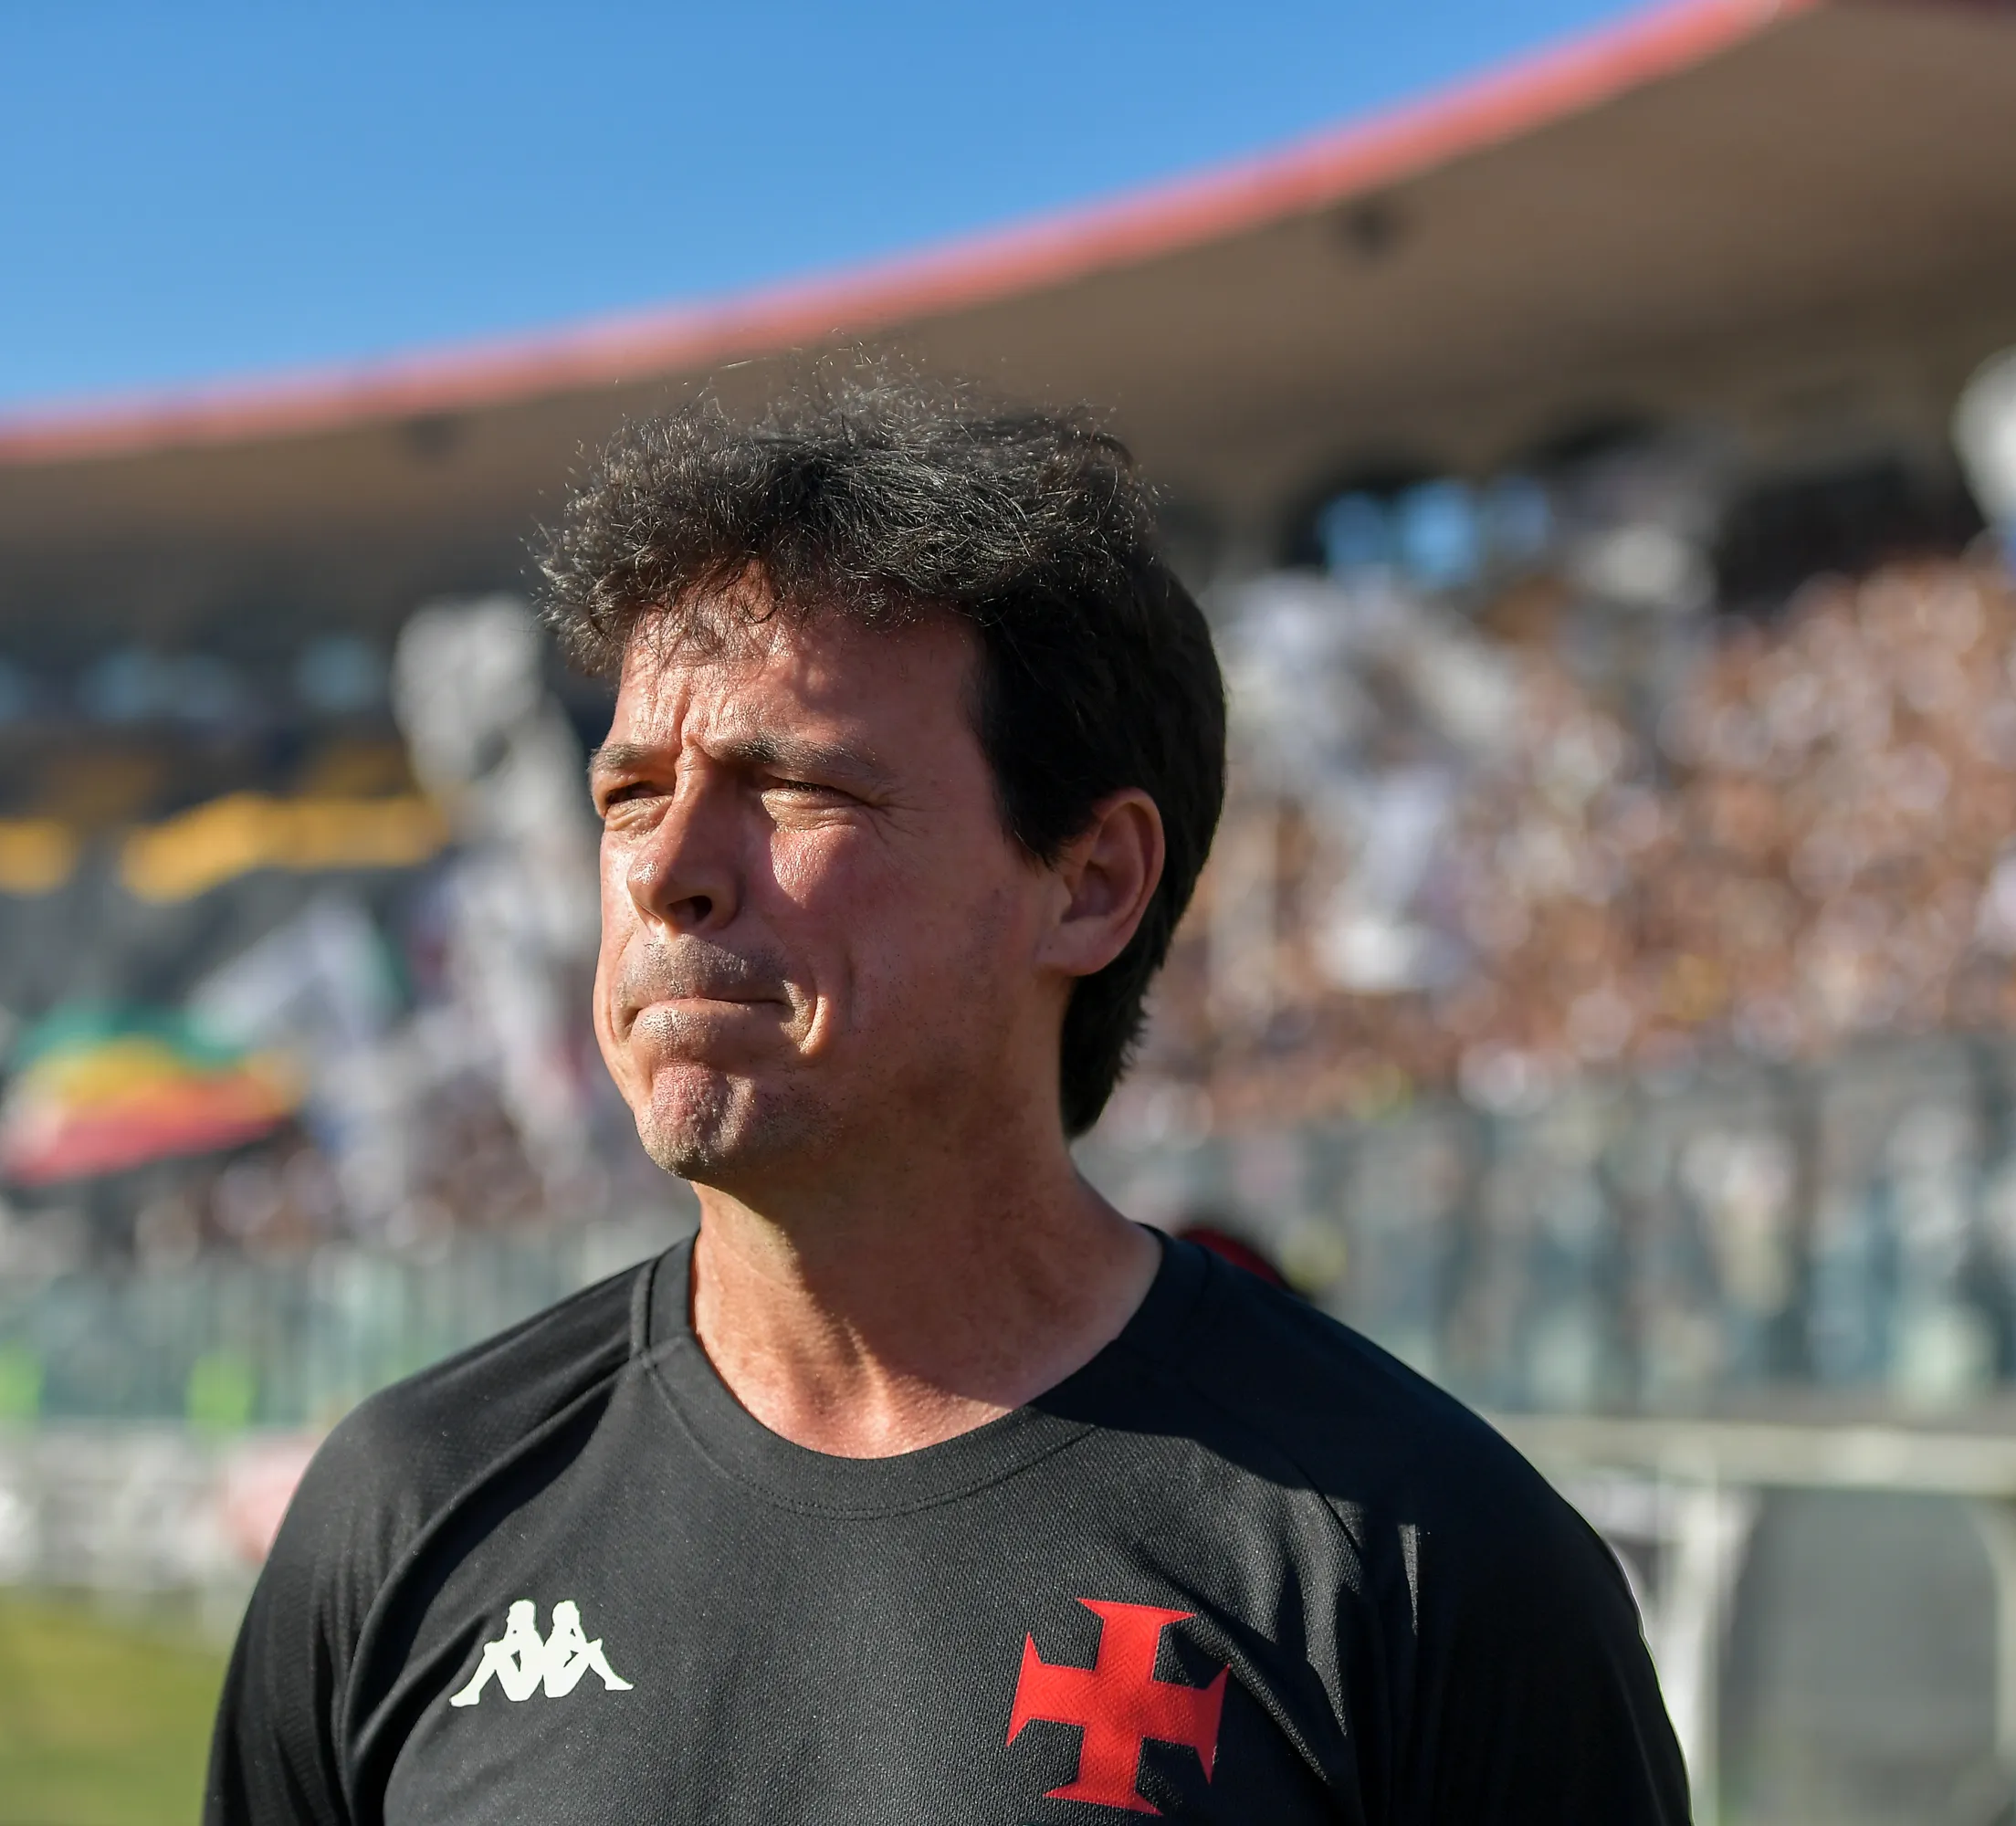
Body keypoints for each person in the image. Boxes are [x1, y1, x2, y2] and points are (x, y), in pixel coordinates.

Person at [205, 378, 1686, 1823]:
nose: (665, 868)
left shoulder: (1422, 1563)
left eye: (798, 787)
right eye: (630, 793)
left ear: (1089, 884)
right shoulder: (407, 1516)